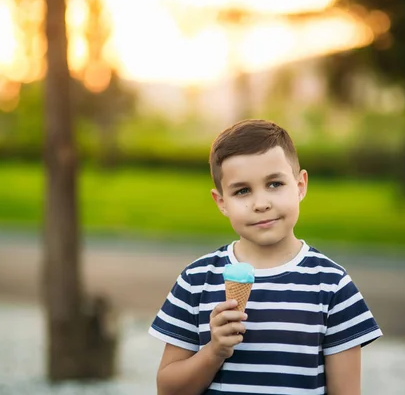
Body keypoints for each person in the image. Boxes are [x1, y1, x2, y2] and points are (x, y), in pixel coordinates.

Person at [149, 119, 382, 395]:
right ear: (222, 202)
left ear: (300, 185)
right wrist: (214, 351)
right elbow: (168, 389)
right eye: (242, 191)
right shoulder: (196, 281)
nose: (261, 204)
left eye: (274, 184)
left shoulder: (332, 286)